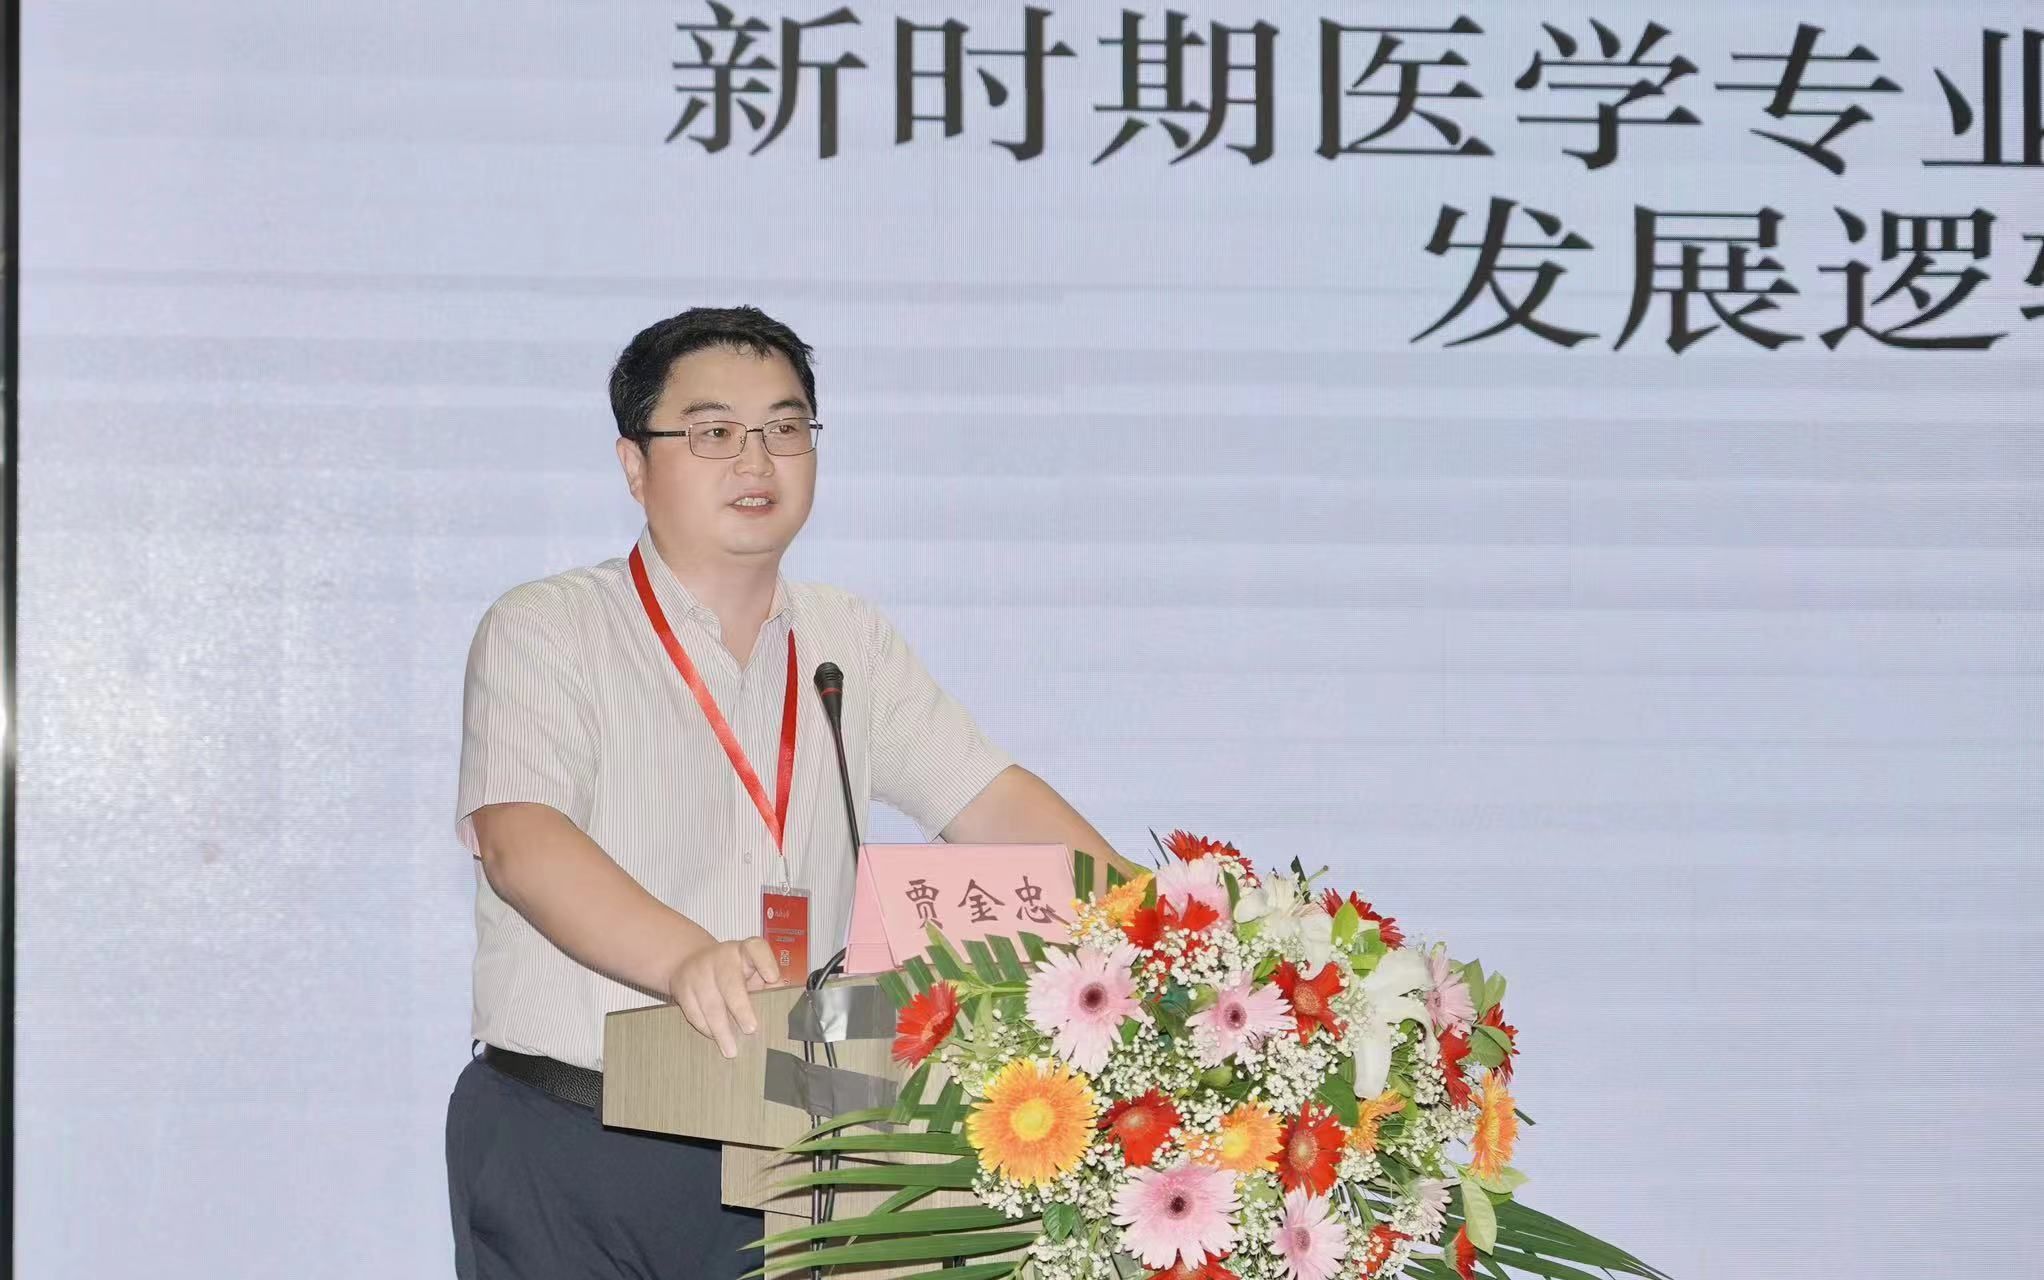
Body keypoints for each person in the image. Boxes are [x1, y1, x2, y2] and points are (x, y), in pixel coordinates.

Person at [444, 306, 1121, 1279]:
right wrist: (685, 957)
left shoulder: (846, 639)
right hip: (575, 1137)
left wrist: (1163, 922)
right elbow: (522, 841)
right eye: (714, 431)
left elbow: (992, 801)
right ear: (635, 464)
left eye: (785, 427)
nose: (756, 459)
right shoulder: (549, 629)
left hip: (800, 1145)